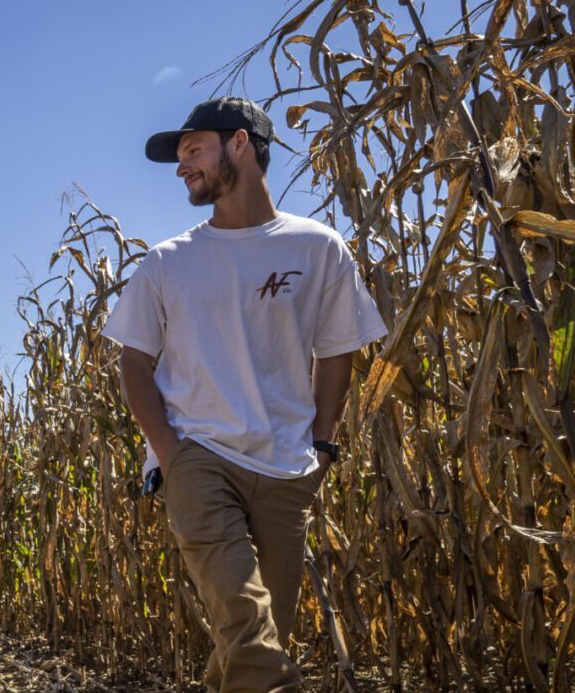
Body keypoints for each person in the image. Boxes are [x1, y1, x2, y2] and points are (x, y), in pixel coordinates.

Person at [103, 97, 387, 692]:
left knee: (256, 634)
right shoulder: (167, 264)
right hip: (200, 458)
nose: (182, 167)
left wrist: (324, 447)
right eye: (179, 158)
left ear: (240, 144)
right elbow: (133, 362)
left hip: (287, 465)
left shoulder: (317, 248)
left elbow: (339, 350)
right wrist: (172, 456)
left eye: (192, 150)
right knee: (249, 626)